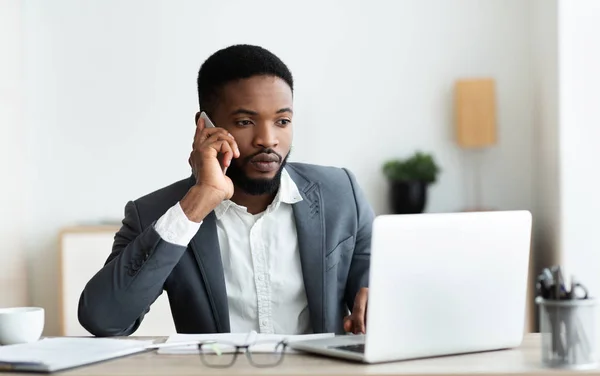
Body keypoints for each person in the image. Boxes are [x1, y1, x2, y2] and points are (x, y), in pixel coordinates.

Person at [78, 44, 374, 336]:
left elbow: (380, 295)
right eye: (245, 122)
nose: (268, 140)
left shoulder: (341, 194)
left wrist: (379, 303)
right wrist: (197, 204)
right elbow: (104, 319)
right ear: (204, 126)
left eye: (282, 121)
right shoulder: (157, 215)